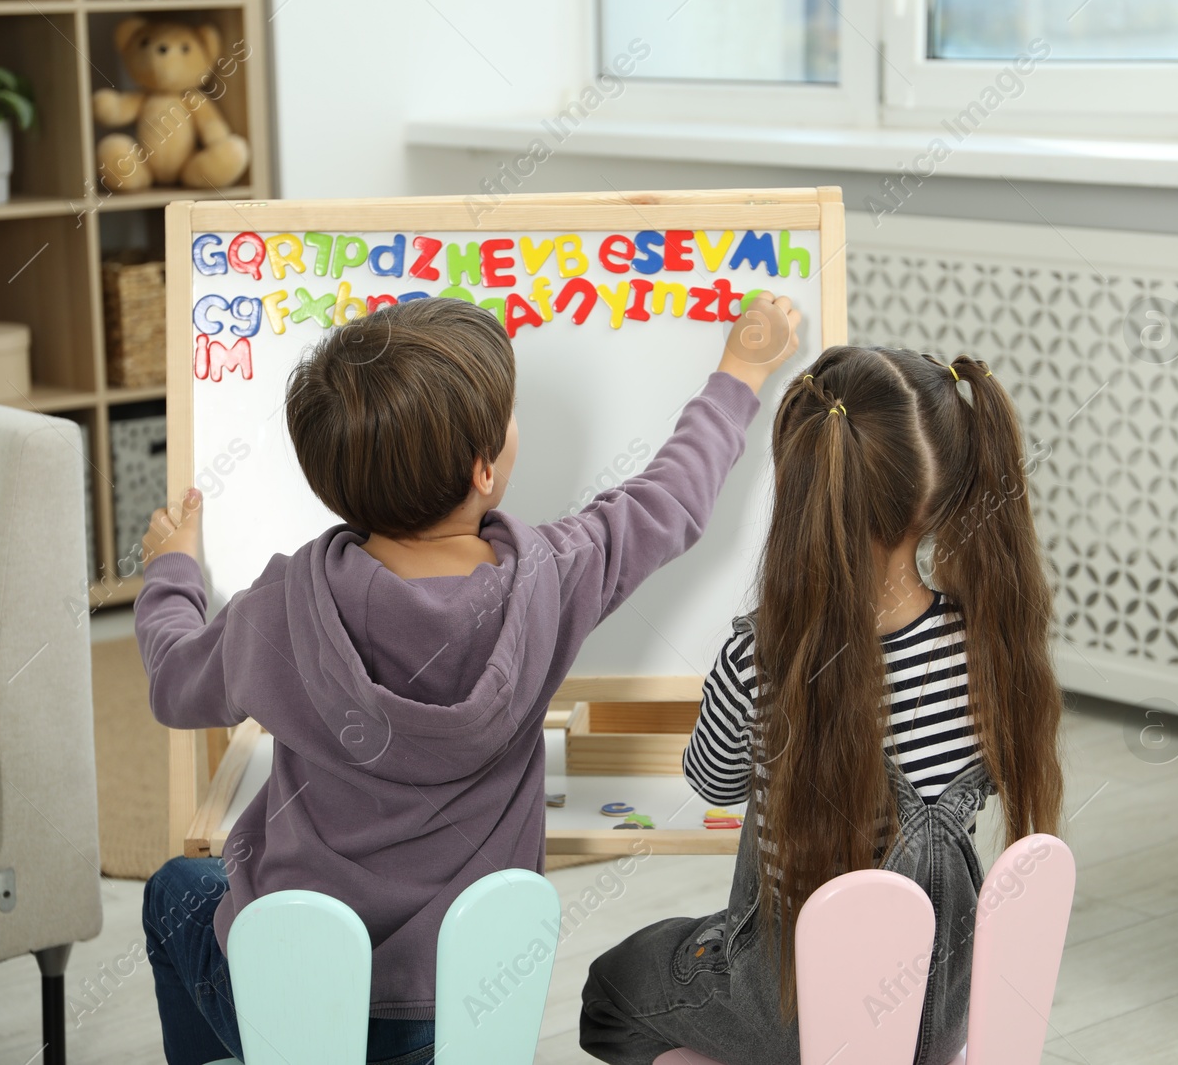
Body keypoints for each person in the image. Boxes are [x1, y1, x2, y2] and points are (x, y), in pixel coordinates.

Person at [135, 293, 800, 1065]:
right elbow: (670, 500)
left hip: (292, 1003)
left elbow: (174, 682)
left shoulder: (278, 611)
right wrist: (740, 370)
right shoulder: (551, 580)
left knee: (175, 889)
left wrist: (172, 568)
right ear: (486, 469)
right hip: (466, 1017)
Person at [580, 346, 1065, 1065]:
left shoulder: (761, 659)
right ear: (942, 495)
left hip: (792, 1008)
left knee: (611, 991)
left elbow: (710, 782)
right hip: (945, 1004)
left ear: (806, 483)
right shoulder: (991, 645)